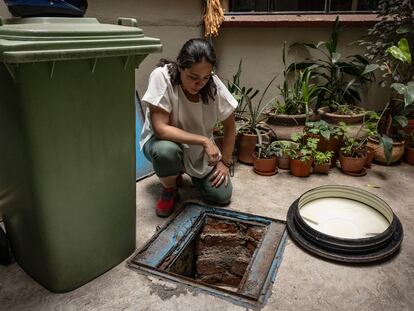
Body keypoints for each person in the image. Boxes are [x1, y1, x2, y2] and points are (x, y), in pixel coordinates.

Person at [140, 38, 238, 217]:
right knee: (166, 152)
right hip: (163, 142)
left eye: (205, 77)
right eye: (193, 77)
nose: (199, 84)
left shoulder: (213, 85)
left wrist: (225, 162)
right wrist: (203, 140)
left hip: (196, 150)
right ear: (180, 66)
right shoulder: (162, 77)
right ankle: (170, 187)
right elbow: (160, 129)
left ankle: (181, 170)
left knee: (222, 195)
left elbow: (230, 127)